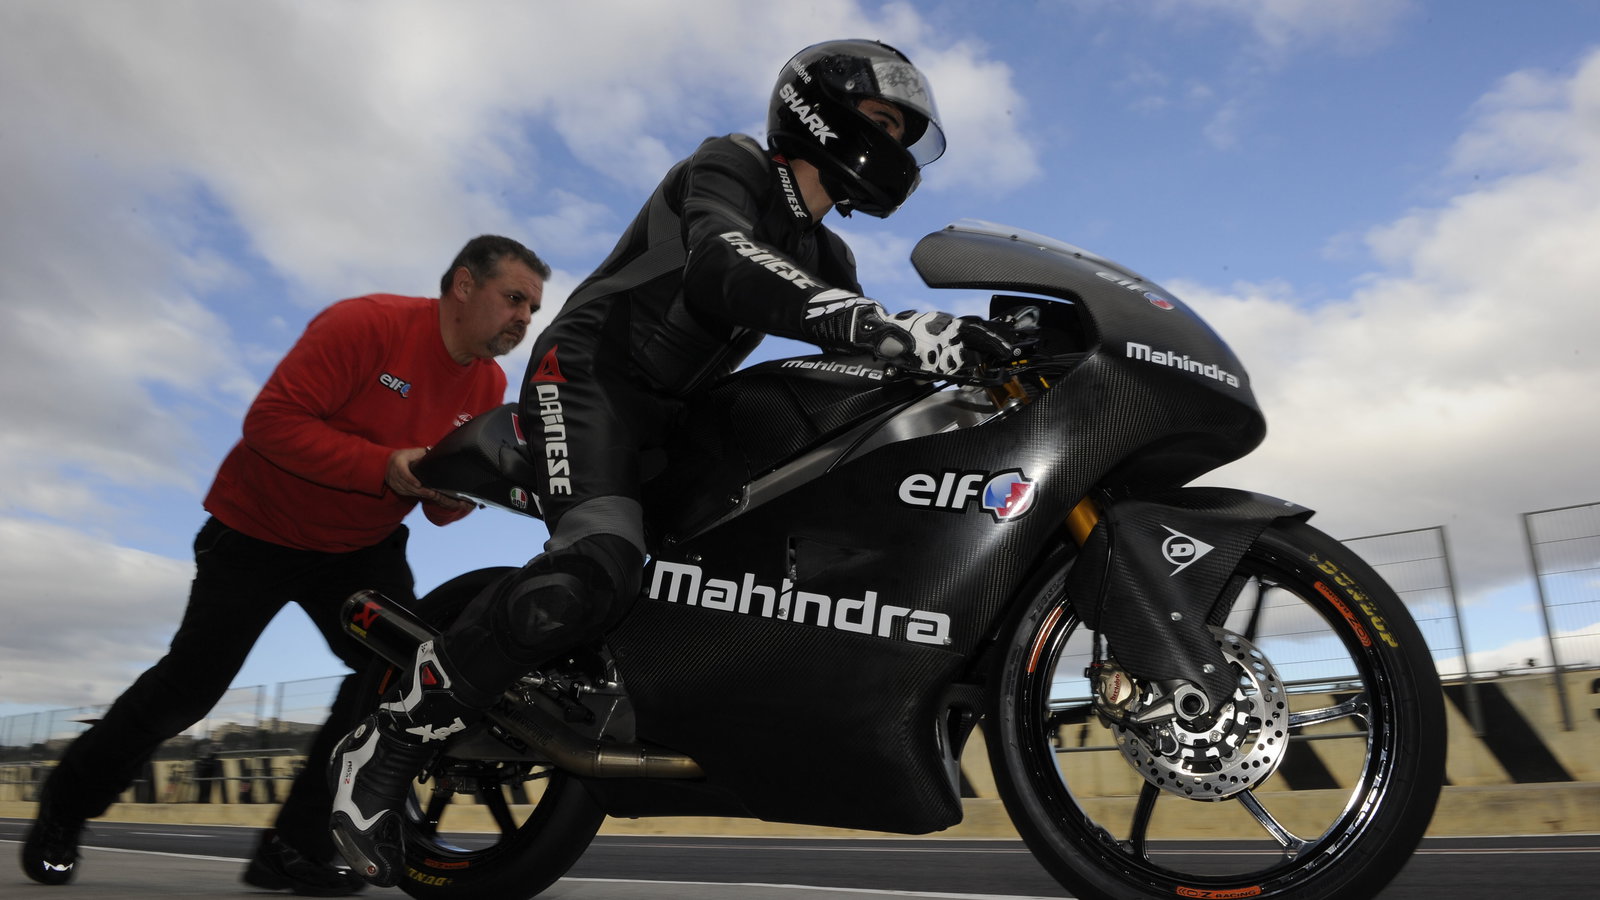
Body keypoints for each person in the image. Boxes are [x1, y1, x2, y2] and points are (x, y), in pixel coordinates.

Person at [329, 40, 1022, 887]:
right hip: (587, 377)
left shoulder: (829, 258)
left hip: (675, 415)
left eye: (905, 133)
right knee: (600, 565)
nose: (894, 145)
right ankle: (392, 737)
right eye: (882, 121)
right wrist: (880, 324)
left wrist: (984, 356)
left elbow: (867, 349)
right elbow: (725, 263)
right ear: (819, 113)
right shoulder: (728, 164)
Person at [20, 235, 549, 895]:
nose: (525, 319)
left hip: (358, 551)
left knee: (397, 680)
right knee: (184, 693)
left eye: (532, 308)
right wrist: (382, 465)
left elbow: (442, 503)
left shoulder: (488, 384)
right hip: (256, 535)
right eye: (515, 299)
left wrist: (451, 495)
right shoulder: (365, 323)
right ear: (464, 286)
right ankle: (62, 813)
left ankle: (293, 849)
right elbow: (269, 423)